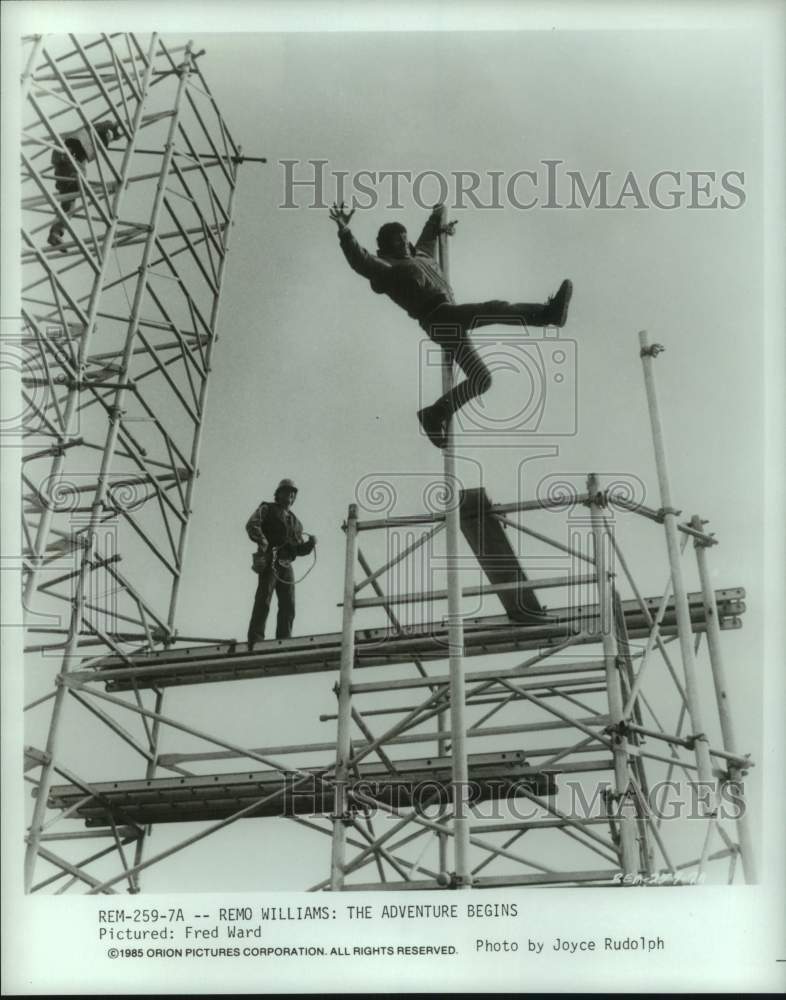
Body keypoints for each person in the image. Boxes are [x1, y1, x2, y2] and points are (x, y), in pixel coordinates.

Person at [329, 201, 573, 448]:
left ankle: (435, 414)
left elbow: (428, 233)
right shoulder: (388, 267)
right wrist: (344, 231)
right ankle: (547, 314)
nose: (403, 244)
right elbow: (360, 261)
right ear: (386, 247)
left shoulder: (421, 254)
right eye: (396, 242)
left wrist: (438, 214)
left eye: (404, 238)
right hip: (438, 317)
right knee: (493, 309)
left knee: (482, 379)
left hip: (450, 319)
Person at [245, 478, 317, 649]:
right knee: (264, 598)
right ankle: (256, 638)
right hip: (270, 558)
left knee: (288, 603)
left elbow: (298, 549)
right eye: (287, 492)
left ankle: (284, 639)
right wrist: (263, 544)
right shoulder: (267, 509)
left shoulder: (296, 523)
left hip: (286, 563)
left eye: (293, 493)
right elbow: (252, 525)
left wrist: (310, 544)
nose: (290, 495)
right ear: (278, 494)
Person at [48, 120, 122, 247]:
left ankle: (55, 233)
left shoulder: (87, 147)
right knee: (80, 185)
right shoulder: (86, 135)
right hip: (68, 160)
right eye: (106, 139)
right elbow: (106, 124)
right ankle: (107, 188)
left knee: (69, 204)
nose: (105, 143)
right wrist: (115, 129)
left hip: (68, 165)